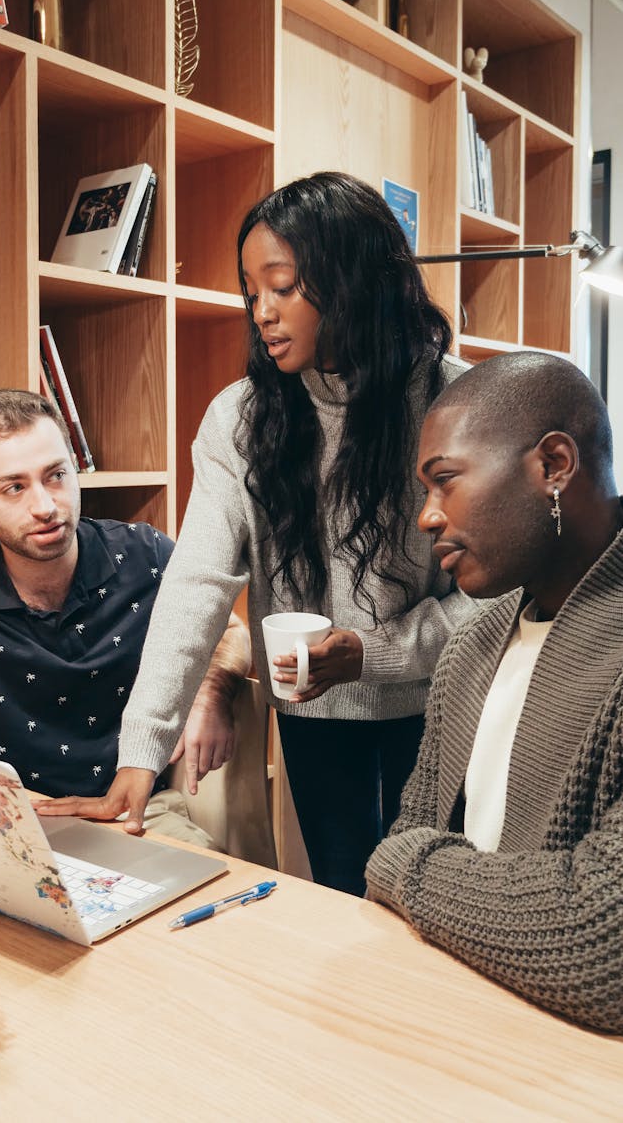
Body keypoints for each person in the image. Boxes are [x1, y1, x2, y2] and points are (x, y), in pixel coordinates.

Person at [39, 172, 477, 895]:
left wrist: (375, 652)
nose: (263, 313)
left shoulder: (456, 403)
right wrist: (140, 757)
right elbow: (196, 586)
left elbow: (496, 597)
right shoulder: (240, 420)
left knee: (437, 897)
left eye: (284, 286)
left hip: (442, 699)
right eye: (252, 292)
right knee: (344, 890)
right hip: (314, 711)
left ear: (354, 282)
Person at [365, 350, 623, 1034]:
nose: (426, 517)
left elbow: (606, 942)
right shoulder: (472, 650)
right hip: (452, 1024)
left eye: (445, 481)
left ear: (553, 466)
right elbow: (404, 840)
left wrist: (409, 871)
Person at [0, 390, 250, 834]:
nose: (45, 506)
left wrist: (212, 692)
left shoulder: (145, 554)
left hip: (139, 810)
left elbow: (229, 630)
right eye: (14, 487)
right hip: (1, 822)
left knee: (216, 889)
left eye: (55, 476)